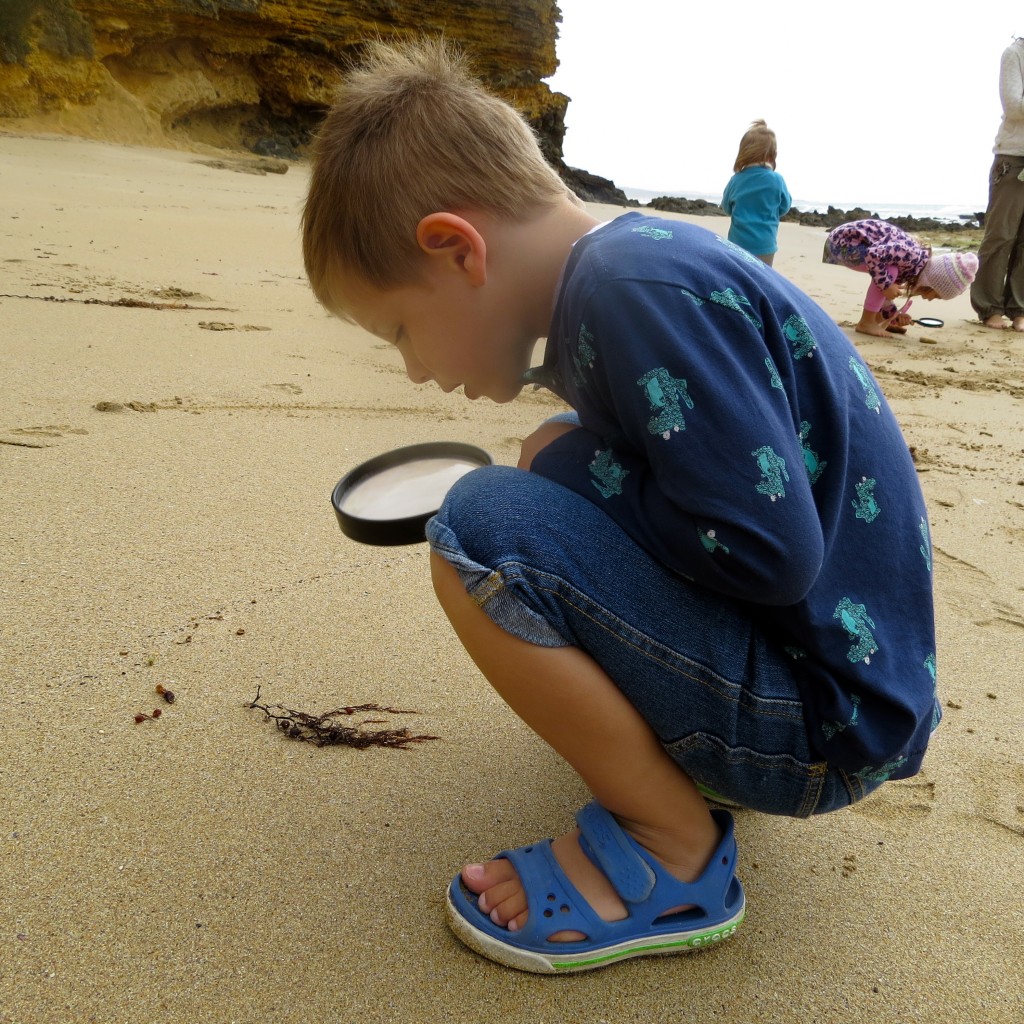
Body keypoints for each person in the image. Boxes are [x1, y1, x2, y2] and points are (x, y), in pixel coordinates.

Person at [301, 38, 941, 975]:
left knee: (478, 527)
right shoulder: (635, 273)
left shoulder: (629, 289)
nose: (413, 367)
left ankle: (669, 848)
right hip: (845, 689)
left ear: (454, 247)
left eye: (400, 328)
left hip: (823, 726)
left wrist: (570, 467)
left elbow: (766, 552)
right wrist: (576, 453)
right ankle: (672, 774)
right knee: (542, 461)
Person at [823, 219, 978, 337]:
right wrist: (886, 285)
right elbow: (873, 255)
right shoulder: (911, 255)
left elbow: (885, 291)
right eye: (937, 296)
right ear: (934, 282)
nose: (930, 300)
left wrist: (891, 316)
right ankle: (866, 322)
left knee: (888, 276)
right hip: (843, 243)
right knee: (888, 272)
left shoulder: (912, 267)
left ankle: (874, 320)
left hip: (848, 245)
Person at [971, 36, 1024, 332]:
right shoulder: (1015, 53)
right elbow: (1015, 106)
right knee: (1000, 236)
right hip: (1013, 158)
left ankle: (1020, 310)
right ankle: (990, 308)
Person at [721, 119, 792, 266]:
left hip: (737, 243)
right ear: (772, 154)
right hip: (765, 245)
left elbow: (726, 207)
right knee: (762, 281)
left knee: (738, 280)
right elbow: (784, 207)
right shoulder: (777, 180)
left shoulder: (736, 180)